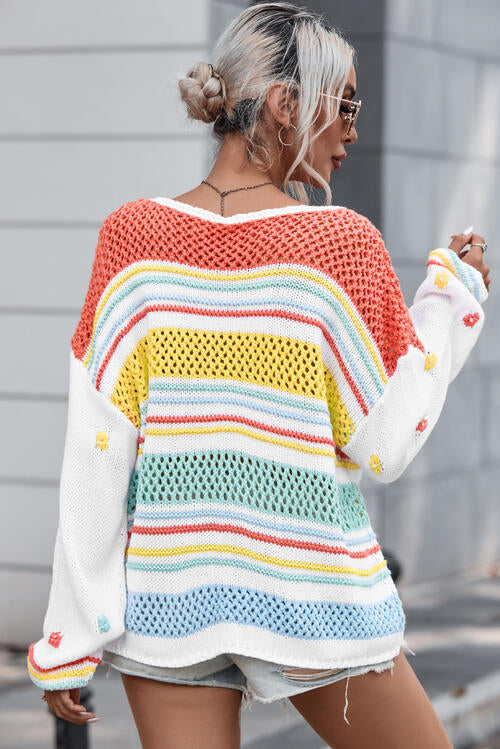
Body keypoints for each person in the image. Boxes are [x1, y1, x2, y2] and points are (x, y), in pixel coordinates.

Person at [27, 3, 490, 748]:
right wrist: (450, 299)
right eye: (346, 105)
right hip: (314, 597)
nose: (353, 131)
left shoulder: (131, 240)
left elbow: (97, 449)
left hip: (170, 600)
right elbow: (385, 443)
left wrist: (69, 638)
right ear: (284, 104)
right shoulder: (339, 246)